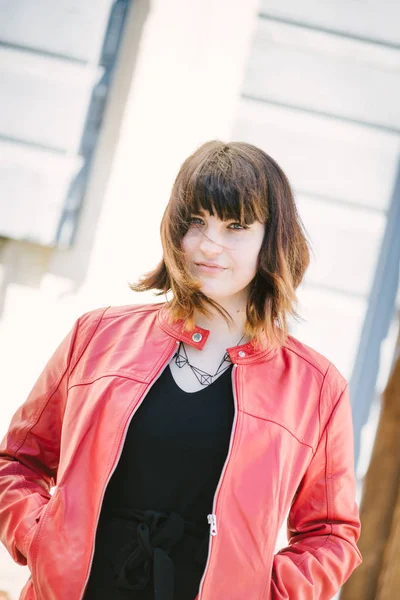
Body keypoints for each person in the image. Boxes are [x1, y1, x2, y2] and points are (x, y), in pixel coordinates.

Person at [0, 141, 362, 600]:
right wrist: (40, 540)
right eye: (196, 222)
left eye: (235, 226)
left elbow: (331, 534)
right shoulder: (97, 336)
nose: (209, 245)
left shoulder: (316, 387)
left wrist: (262, 592)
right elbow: (17, 463)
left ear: (271, 240)